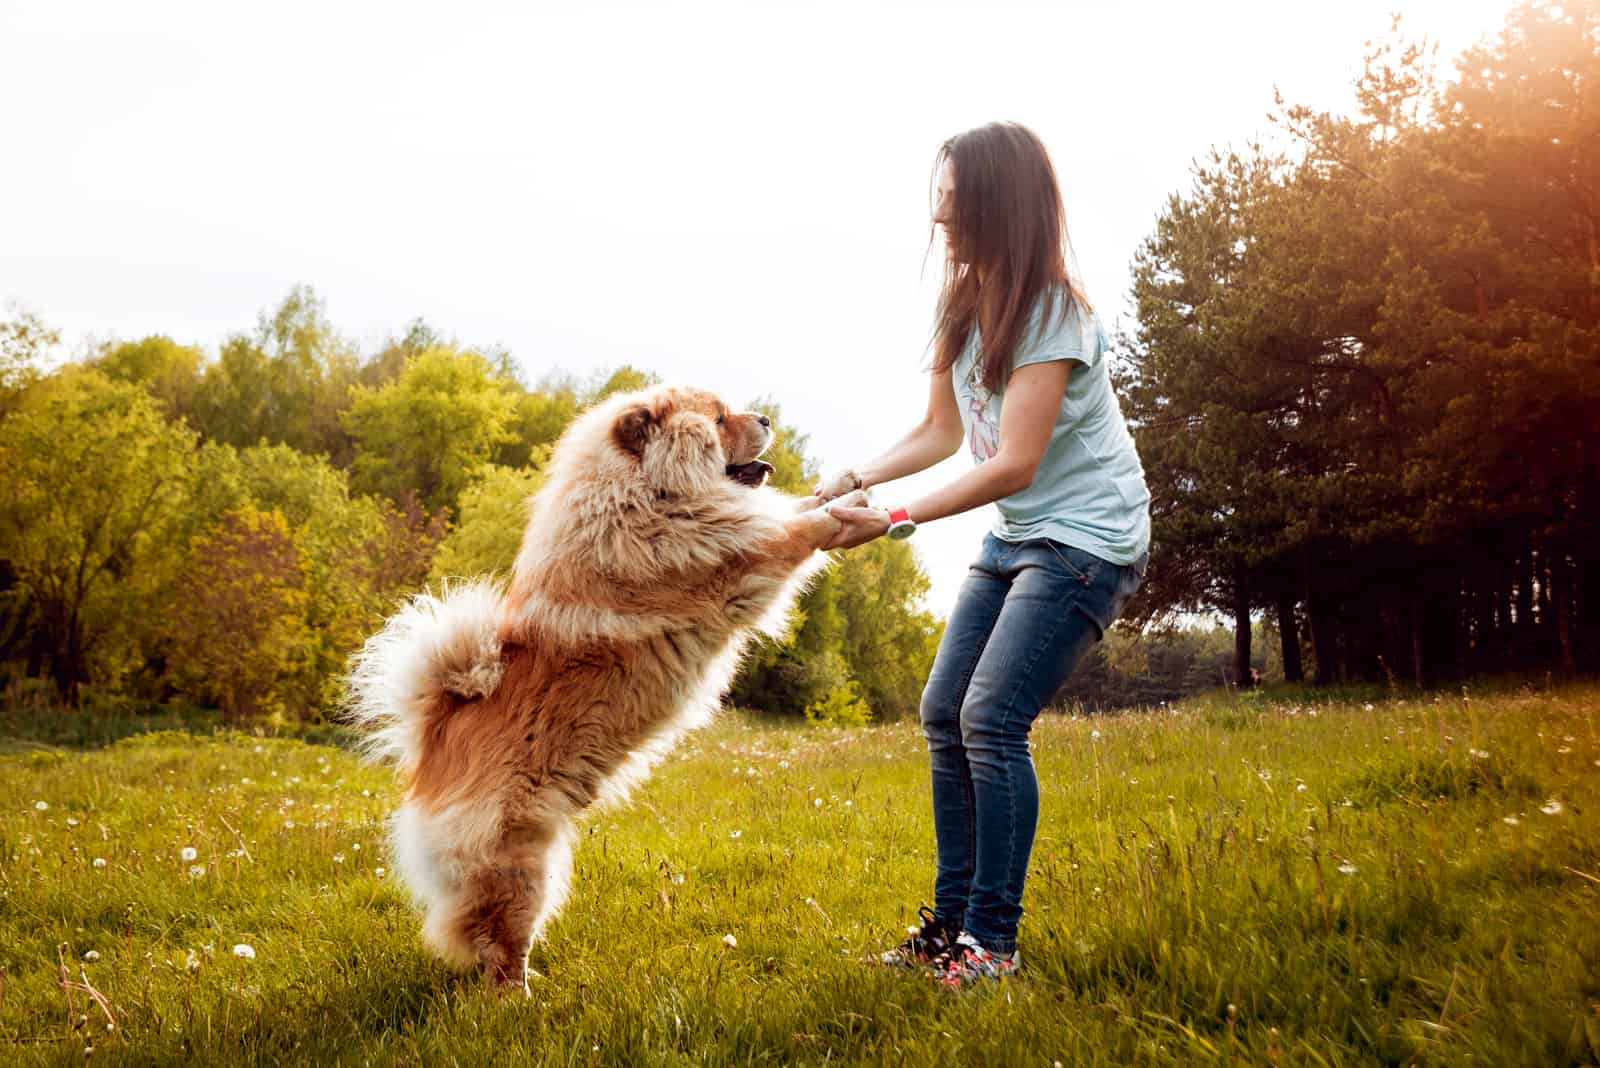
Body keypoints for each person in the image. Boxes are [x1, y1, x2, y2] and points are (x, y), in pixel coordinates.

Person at [814, 121, 1150, 987]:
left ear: (1001, 205)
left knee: (991, 719)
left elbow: (1012, 462)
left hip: (1088, 538)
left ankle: (991, 946)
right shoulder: (962, 303)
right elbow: (940, 430)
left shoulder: (1056, 313)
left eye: (955, 201)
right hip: (1019, 535)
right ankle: (949, 928)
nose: (939, 218)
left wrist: (889, 517)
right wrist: (848, 477)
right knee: (942, 711)